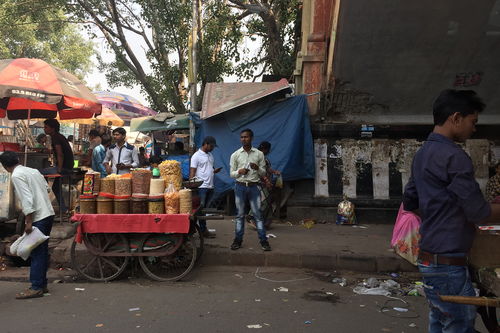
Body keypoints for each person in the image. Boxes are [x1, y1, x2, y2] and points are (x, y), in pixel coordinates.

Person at [403, 89, 500, 333]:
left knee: (441, 323)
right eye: (473, 122)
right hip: (447, 263)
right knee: (457, 325)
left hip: (429, 258)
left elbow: (410, 200)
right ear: (456, 118)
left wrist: (440, 214)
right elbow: (479, 212)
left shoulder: (423, 154)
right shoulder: (454, 157)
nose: (474, 129)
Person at [0, 151, 55, 299]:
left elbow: (27, 200)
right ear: (17, 160)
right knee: (41, 251)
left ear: (5, 166)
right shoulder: (32, 170)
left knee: (36, 252)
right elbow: (47, 189)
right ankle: (41, 284)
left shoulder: (17, 175)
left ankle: (36, 286)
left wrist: (28, 222)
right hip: (48, 213)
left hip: (38, 216)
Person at [229, 129, 271, 251]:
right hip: (240, 186)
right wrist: (239, 172)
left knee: (258, 215)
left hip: (254, 187)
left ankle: (264, 241)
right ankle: (237, 240)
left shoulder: (259, 154)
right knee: (239, 215)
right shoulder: (235, 154)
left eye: (246, 137)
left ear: (251, 138)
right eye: (242, 137)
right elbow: (231, 174)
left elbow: (263, 173)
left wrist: (257, 168)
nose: (243, 139)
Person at [190, 136, 221, 238]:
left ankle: (199, 229)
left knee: (204, 210)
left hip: (210, 186)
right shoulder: (196, 156)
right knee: (200, 210)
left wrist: (214, 171)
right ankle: (201, 230)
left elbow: (209, 168)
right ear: (206, 144)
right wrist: (192, 186)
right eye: (211, 146)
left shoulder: (210, 155)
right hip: (201, 187)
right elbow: (192, 172)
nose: (212, 148)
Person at [41, 119, 74, 215]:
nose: (44, 129)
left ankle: (44, 192)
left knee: (38, 172)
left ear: (52, 129)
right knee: (55, 187)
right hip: (66, 166)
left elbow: (60, 154)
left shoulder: (56, 137)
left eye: (46, 127)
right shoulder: (58, 137)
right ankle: (64, 210)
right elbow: (57, 151)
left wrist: (59, 169)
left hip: (63, 167)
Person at [247, 141, 280, 229]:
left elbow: (267, 169)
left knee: (267, 201)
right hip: (259, 183)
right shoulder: (258, 157)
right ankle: (252, 218)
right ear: (265, 149)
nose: (269, 151)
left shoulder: (263, 157)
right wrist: (266, 181)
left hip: (265, 183)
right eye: (268, 149)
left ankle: (265, 221)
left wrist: (274, 172)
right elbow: (259, 171)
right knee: (263, 202)